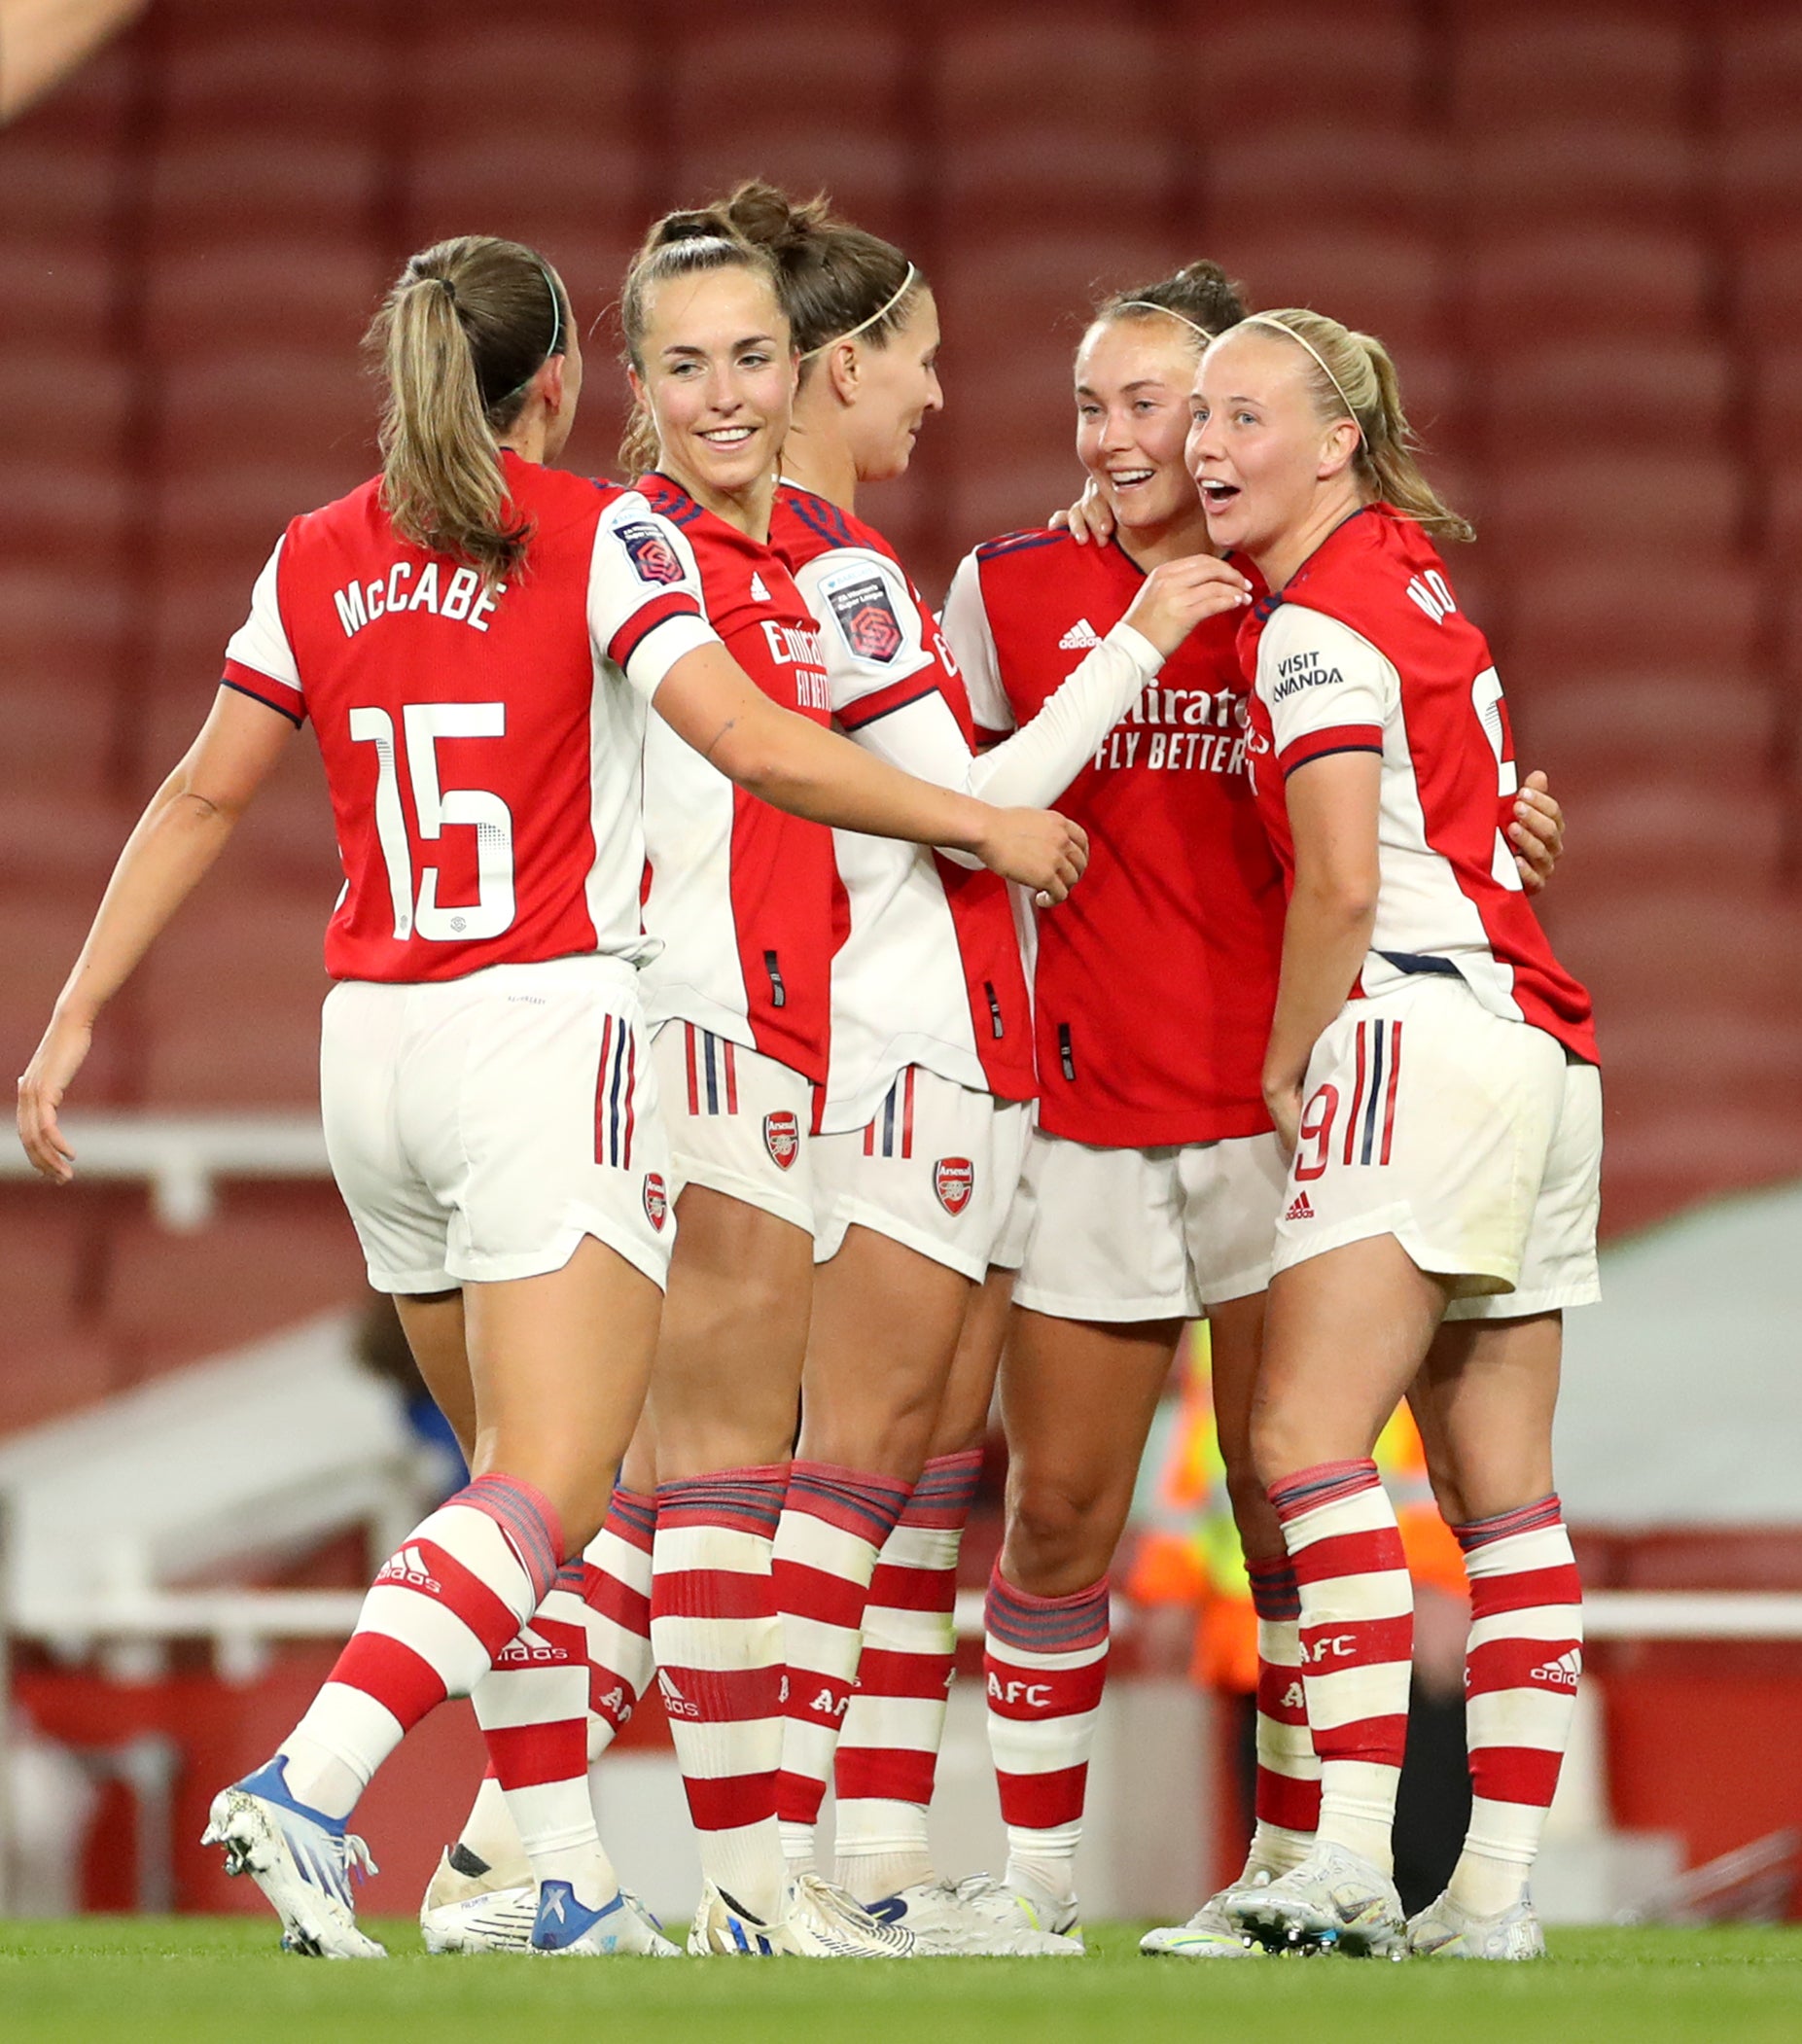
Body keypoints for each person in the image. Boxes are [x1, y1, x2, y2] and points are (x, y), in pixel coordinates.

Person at [13, 231, 1084, 1961]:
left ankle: (548, 1873)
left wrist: (70, 1015)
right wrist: (974, 821)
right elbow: (745, 738)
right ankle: (315, 1778)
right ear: (574, 387)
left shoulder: (317, 551)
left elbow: (204, 797)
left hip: (367, 1051)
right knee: (552, 1493)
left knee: (500, 1483)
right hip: (540, 1035)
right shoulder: (603, 532)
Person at [424, 191, 1246, 1959]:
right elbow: (967, 795)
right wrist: (1120, 663)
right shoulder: (680, 552)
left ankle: (639, 1844)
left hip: (833, 1040)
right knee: (769, 1475)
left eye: (751, 358)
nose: (939, 397)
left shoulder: (820, 567)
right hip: (810, 1041)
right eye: (922, 362)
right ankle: (760, 1859)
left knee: (816, 1479)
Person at [938, 265, 1571, 1956]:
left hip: (1298, 1106)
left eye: (1180, 402)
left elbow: (1376, 834)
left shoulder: (1293, 594)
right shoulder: (1012, 588)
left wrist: (1490, 818)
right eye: (1109, 404)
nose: (1139, 435)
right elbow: (948, 818)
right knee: (1060, 1512)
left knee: (1289, 1504)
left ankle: (1303, 1861)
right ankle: (1039, 1887)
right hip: (1090, 1107)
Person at [1187, 307, 1600, 1961]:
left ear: (1335, 438)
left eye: (1242, 416)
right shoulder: (1413, 579)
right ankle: (1493, 1894)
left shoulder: (1313, 625)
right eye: (1197, 416)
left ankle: (1345, 1851)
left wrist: (1292, 1054)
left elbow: (1348, 880)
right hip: (1542, 1048)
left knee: (1297, 1439)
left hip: (1415, 1029)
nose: (1208, 445)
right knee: (1504, 1498)